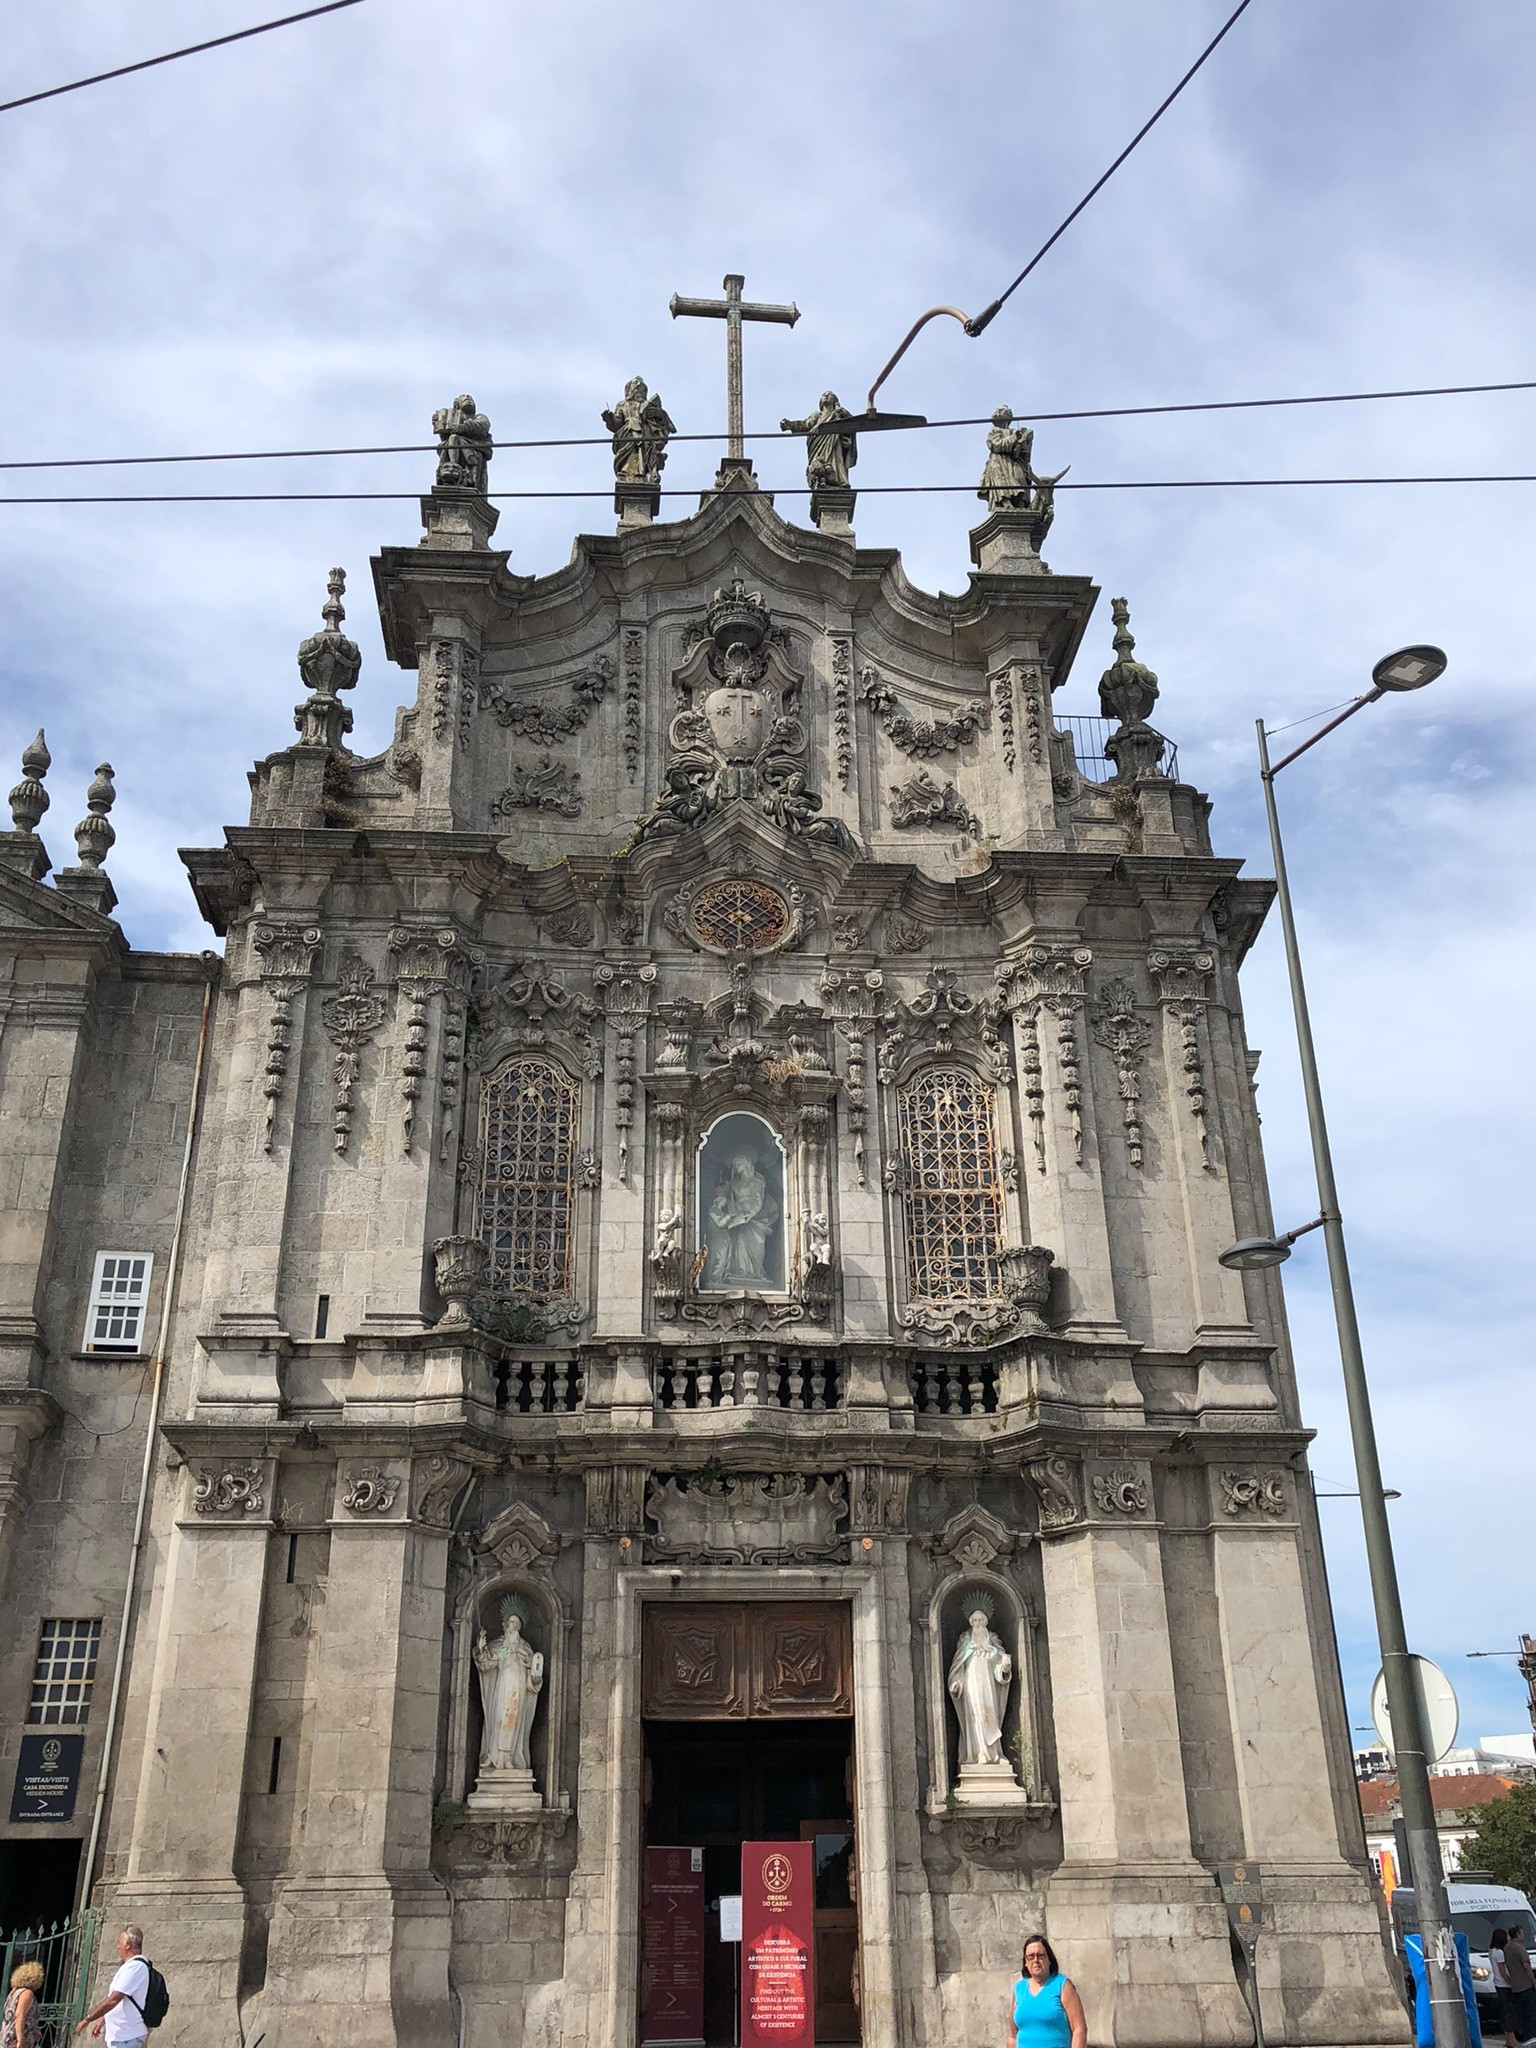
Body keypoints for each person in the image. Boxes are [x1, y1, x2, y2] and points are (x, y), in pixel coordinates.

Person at [75, 1926, 148, 2044]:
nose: (118, 1946)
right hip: (121, 2038)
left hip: (127, 2038)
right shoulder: (129, 1966)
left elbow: (115, 1999)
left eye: (119, 1943)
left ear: (128, 1945)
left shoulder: (135, 1967)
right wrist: (104, 2019)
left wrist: (87, 2019)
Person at [1012, 1935, 1086, 2048]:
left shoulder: (1062, 1985)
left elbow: (1079, 2029)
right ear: (1025, 1962)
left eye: (1040, 1956)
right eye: (1031, 1957)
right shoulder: (1019, 1989)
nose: (1036, 1960)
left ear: (1049, 1959)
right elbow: (1012, 2036)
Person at [1505, 1922, 1536, 2045]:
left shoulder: (1507, 1948)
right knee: (1530, 2012)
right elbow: (1526, 1966)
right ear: (1517, 1934)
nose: (1523, 1935)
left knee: (1520, 2012)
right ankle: (1531, 2036)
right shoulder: (1519, 1948)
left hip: (1515, 1986)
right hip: (1525, 1984)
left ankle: (1523, 2036)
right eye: (1522, 1933)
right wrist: (1533, 1981)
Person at [2, 1960, 43, 2048]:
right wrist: (20, 2040)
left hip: (7, 2036)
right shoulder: (27, 1993)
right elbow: (19, 2016)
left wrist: (35, 2030)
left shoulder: (14, 1992)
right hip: (15, 2038)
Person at [1489, 1928, 1518, 2048]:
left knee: (1505, 2010)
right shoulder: (1500, 1953)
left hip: (1497, 1983)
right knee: (1509, 2011)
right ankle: (1511, 2039)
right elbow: (1502, 1971)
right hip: (1504, 1984)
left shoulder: (1491, 1951)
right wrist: (1511, 1982)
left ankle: (1509, 2038)